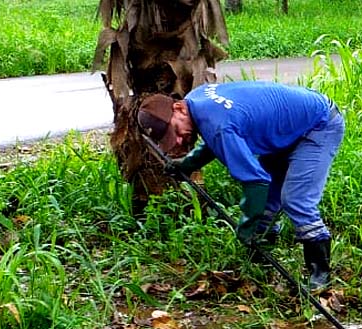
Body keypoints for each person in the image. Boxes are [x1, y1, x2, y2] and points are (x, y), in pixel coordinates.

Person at [137, 81, 344, 291]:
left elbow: (256, 181)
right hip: (289, 126)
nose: (179, 141)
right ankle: (260, 259)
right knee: (267, 203)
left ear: (179, 108)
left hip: (319, 125)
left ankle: (321, 275)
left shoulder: (218, 125)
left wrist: (246, 226)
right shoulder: (198, 100)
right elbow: (214, 139)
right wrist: (188, 164)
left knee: (296, 200)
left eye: (176, 132)